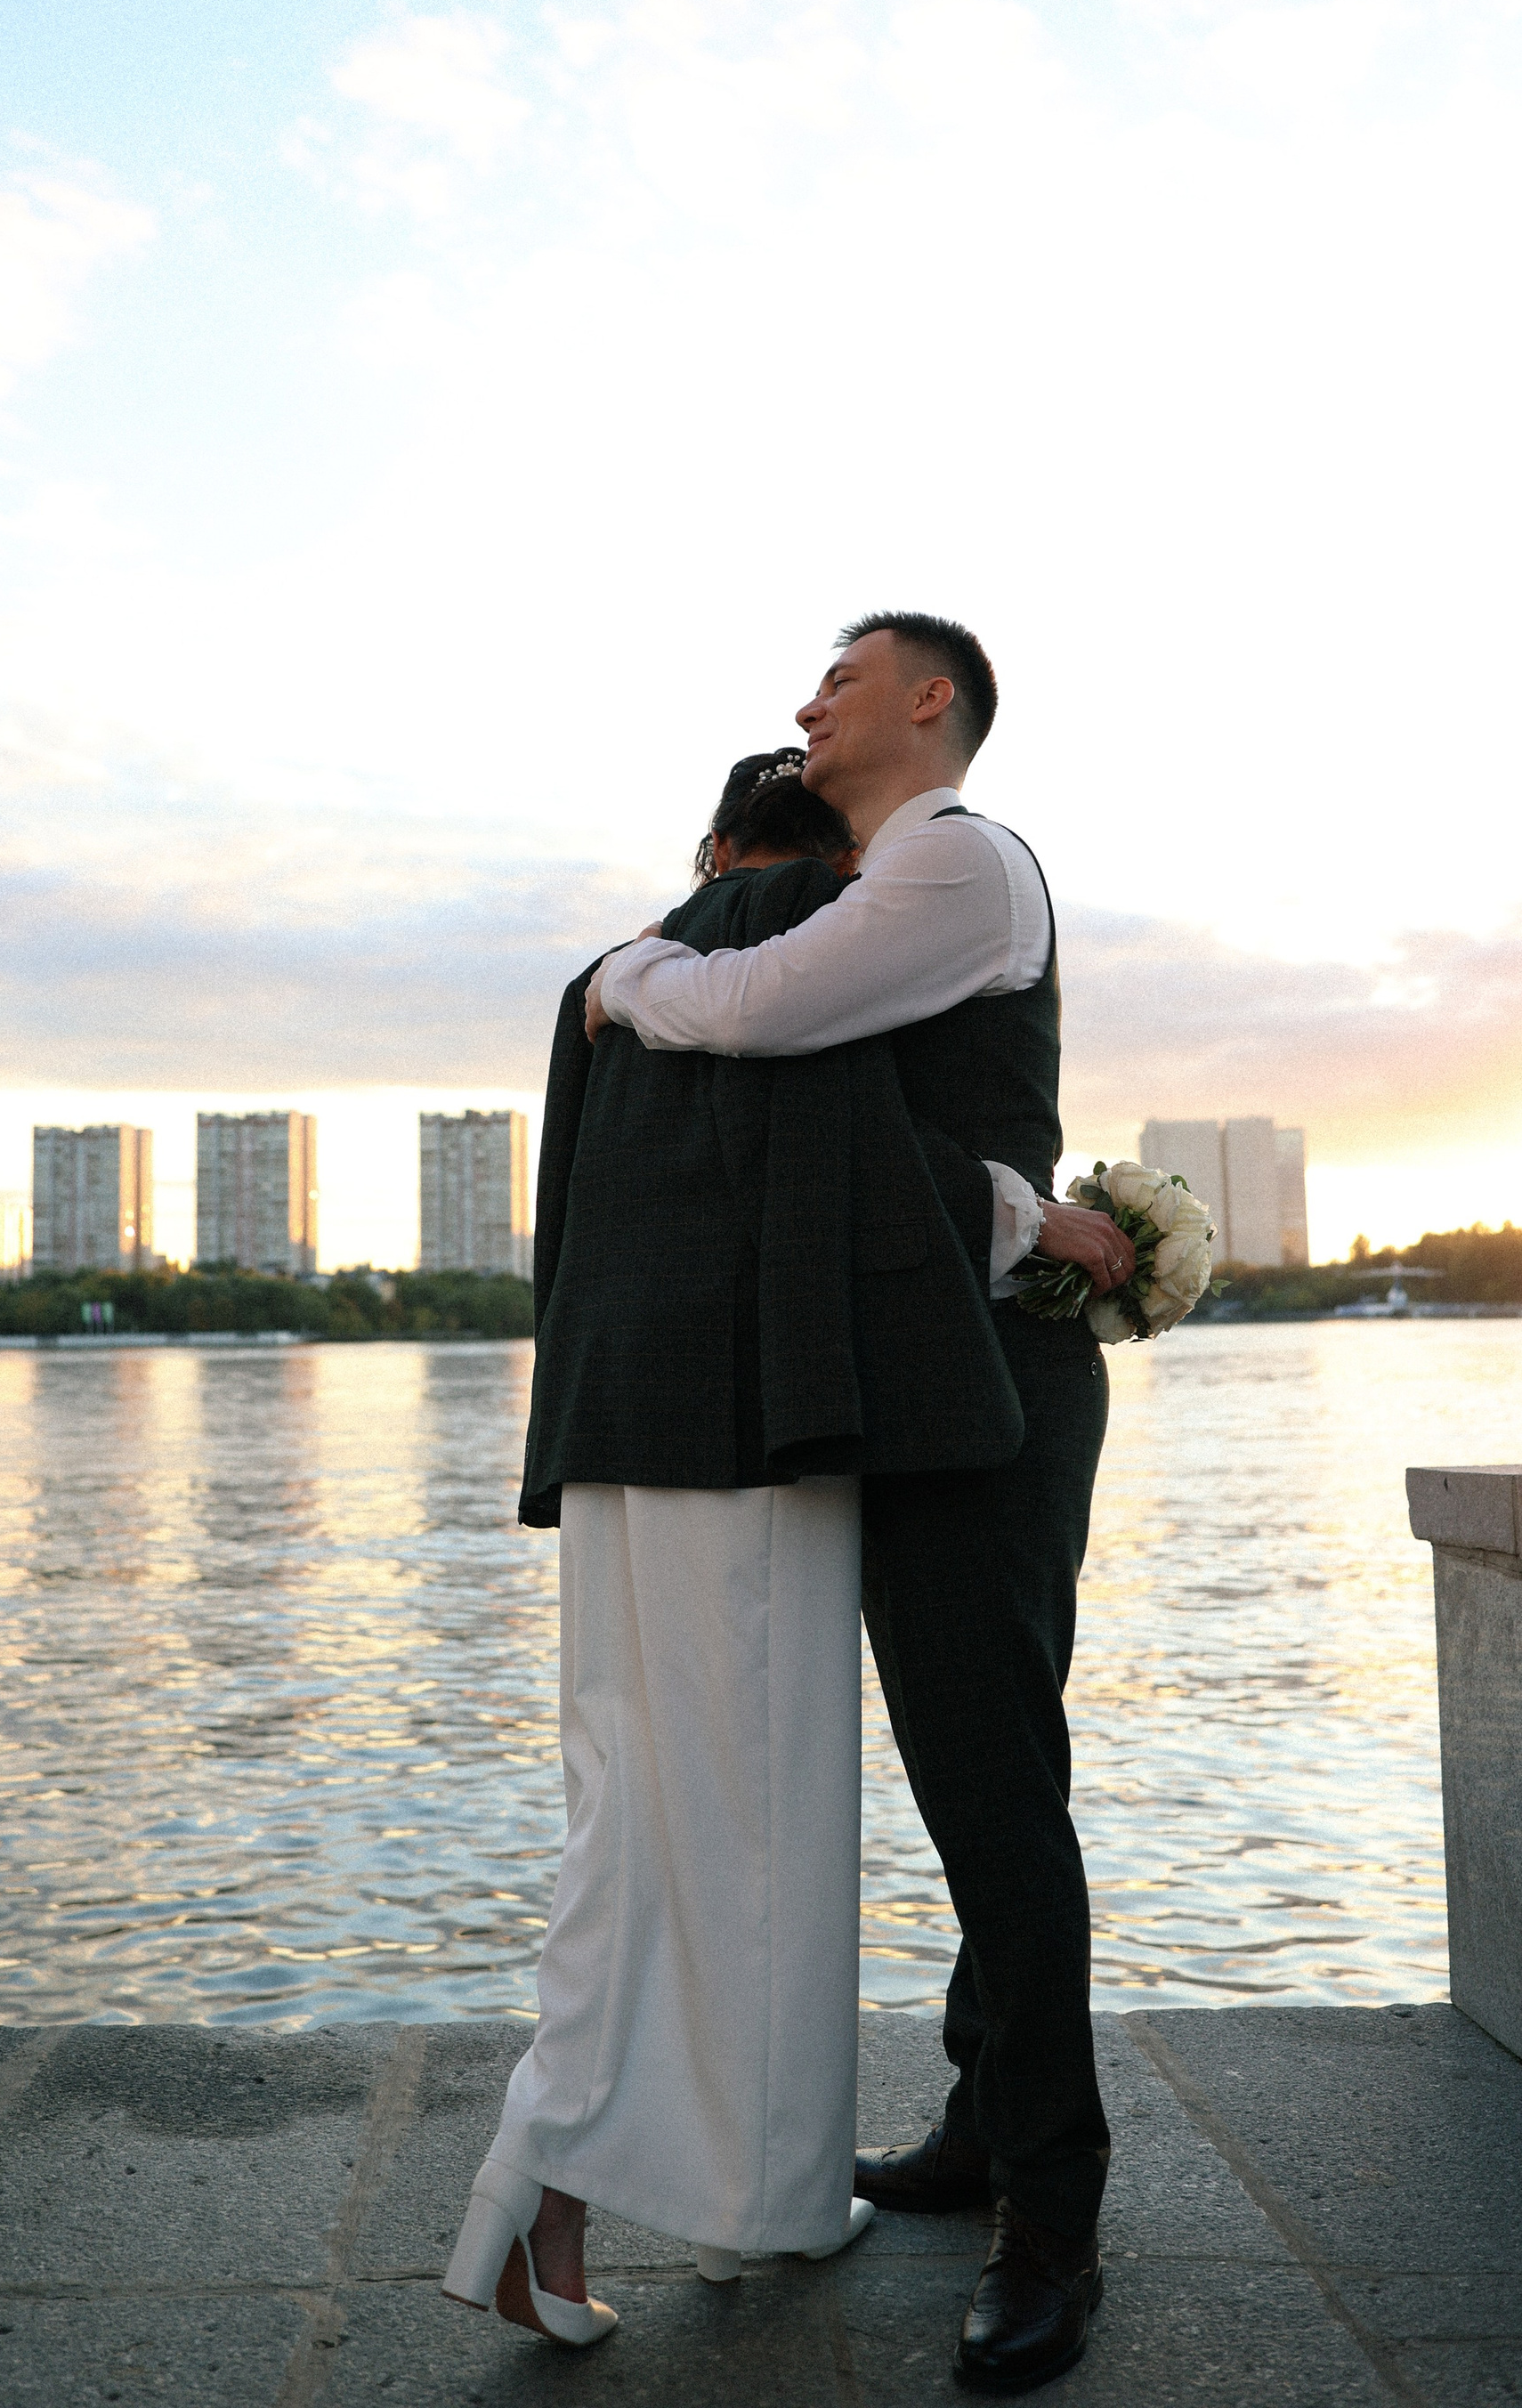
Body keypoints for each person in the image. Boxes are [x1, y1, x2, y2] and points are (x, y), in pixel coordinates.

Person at [587, 614, 1133, 2396]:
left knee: (995, 1785)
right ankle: (984, 2121)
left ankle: (1053, 2215)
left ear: (930, 700)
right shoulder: (880, 881)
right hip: (924, 1380)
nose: (808, 703)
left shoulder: (955, 862)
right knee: (975, 1772)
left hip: (992, 1389)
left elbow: (752, 1016)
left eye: (842, 678)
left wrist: (623, 979)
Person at [442, 750, 1040, 2347]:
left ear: (709, 842)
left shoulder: (610, 976)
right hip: (749, 1427)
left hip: (607, 1427)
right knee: (760, 1834)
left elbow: (569, 1218)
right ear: (836, 863)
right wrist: (1043, 1225)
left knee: (627, 1805)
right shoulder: (788, 949)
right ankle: (582, 2193)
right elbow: (861, 1183)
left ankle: (715, 2202)